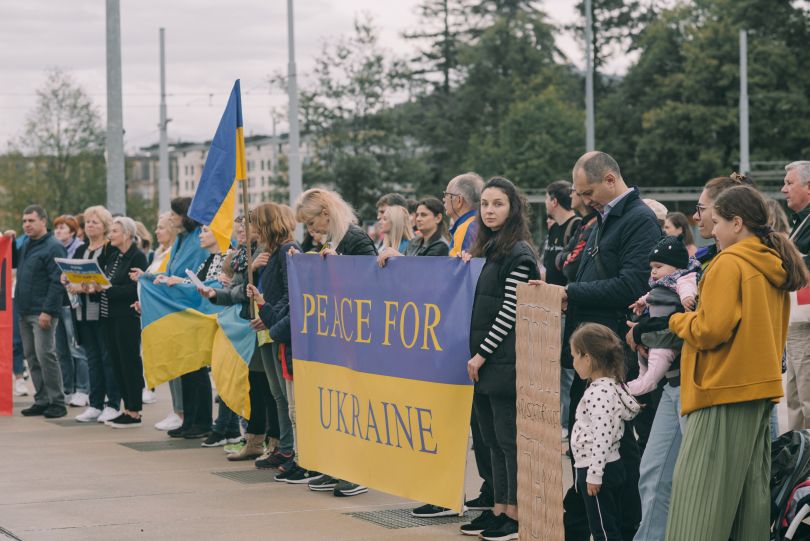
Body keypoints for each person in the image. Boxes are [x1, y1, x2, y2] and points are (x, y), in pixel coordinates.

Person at [663, 185, 809, 540]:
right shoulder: (773, 262)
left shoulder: (730, 263)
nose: (708, 228)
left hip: (721, 389)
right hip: (758, 389)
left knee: (699, 498)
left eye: (716, 221)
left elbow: (711, 329)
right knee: (748, 500)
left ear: (737, 223)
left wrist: (677, 320)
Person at [631, 173, 753, 541]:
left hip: (705, 385)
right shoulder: (708, 260)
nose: (698, 221)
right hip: (679, 381)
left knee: (705, 485)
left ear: (732, 217)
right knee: (655, 472)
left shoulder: (731, 265)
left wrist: (655, 327)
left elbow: (708, 329)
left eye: (703, 211)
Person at [563, 151, 661, 540]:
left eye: (588, 191)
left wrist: (571, 292)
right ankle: (593, 525)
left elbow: (633, 285)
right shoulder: (603, 219)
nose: (585, 200)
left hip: (612, 355)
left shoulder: (638, 221)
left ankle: (619, 527)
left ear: (609, 179)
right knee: (587, 440)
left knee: (616, 448)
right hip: (595, 350)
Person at [459, 177, 540, 541]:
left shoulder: (518, 253)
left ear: (513, 209)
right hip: (488, 364)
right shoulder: (489, 249)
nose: (490, 211)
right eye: (486, 204)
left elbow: (510, 311)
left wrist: (480, 355)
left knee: (508, 440)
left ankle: (515, 516)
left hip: (503, 363)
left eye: (498, 204)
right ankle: (498, 510)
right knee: (491, 439)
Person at [294, 188, 376, 497]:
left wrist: (337, 262)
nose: (310, 230)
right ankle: (338, 465)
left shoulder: (355, 239)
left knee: (354, 405)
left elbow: (372, 283)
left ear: (326, 214)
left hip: (356, 335)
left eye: (311, 223)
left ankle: (358, 471)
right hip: (337, 334)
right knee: (338, 405)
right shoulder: (330, 240)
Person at [247, 203, 322, 483]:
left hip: (280, 329)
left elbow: (291, 297)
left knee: (289, 398)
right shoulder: (270, 252)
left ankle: (293, 451)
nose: (251, 230)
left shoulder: (289, 251)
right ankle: (289, 449)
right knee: (280, 394)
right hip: (272, 325)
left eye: (255, 224)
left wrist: (270, 317)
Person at [570, 323, 641, 541]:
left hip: (598, 469)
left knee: (604, 531)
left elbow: (603, 434)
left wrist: (594, 474)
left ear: (588, 358)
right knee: (612, 524)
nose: (573, 362)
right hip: (610, 466)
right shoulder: (613, 386)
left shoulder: (598, 392)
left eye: (574, 356)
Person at [160, 225, 227, 440]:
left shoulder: (223, 257)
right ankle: (189, 420)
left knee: (201, 374)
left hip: (213, 321)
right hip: (196, 320)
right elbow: (199, 283)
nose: (201, 235)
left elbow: (212, 285)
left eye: (206, 231)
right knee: (189, 369)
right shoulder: (207, 259)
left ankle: (205, 422)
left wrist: (181, 282)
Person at [6, 205, 68, 418]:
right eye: (24, 221)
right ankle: (41, 399)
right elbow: (12, 262)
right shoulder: (25, 244)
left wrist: (48, 311)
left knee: (46, 356)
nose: (26, 225)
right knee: (31, 357)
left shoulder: (54, 247)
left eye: (31, 221)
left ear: (43, 221)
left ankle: (57, 402)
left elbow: (57, 282)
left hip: (42, 312)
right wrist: (11, 241)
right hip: (24, 310)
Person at [625, 236, 698, 398]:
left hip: (668, 332)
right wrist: (642, 302)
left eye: (659, 266)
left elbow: (687, 287)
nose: (654, 271)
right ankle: (642, 376)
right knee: (644, 355)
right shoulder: (663, 282)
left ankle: (649, 381)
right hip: (656, 330)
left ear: (676, 267)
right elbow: (652, 294)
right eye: (652, 267)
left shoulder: (682, 277)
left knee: (660, 355)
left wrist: (687, 298)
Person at [93, 217, 148, 428]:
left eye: (114, 231)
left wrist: (107, 290)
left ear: (126, 233)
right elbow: (105, 281)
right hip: (109, 316)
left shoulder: (137, 257)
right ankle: (127, 409)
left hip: (126, 317)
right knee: (116, 362)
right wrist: (96, 288)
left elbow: (136, 288)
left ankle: (134, 411)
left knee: (129, 362)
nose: (110, 235)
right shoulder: (114, 256)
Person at [70, 206, 121, 423]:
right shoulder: (82, 249)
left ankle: (113, 403)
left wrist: (86, 286)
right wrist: (69, 281)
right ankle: (96, 403)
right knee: (92, 359)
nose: (90, 225)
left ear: (105, 226)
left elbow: (109, 279)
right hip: (83, 311)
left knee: (107, 358)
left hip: (103, 310)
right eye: (88, 222)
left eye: (95, 222)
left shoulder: (110, 250)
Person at [782, 161, 810, 430]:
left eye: (790, 183)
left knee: (806, 400)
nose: (784, 189)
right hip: (796, 321)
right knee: (795, 400)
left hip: (805, 322)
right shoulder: (800, 221)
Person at [52, 214, 90, 408]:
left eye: (63, 228)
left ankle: (83, 389)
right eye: (57, 227)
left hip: (73, 303)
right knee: (61, 350)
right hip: (57, 302)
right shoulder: (55, 248)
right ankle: (68, 389)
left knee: (77, 348)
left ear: (73, 232)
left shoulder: (78, 249)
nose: (58, 231)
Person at [542, 180, 581, 287]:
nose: (545, 202)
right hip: (550, 296)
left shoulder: (577, 225)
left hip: (567, 296)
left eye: (546, 198)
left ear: (554, 201)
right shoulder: (553, 227)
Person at [444, 172, 485, 257]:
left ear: (459, 200)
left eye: (447, 194)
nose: (444, 199)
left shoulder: (465, 229)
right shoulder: (481, 223)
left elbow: (458, 268)